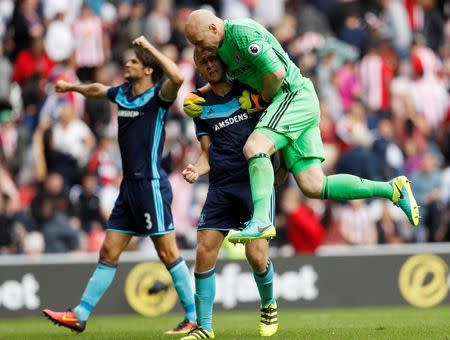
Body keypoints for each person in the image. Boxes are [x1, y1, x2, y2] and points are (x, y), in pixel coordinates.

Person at [184, 10, 419, 244]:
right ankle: (393, 190)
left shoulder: (242, 33)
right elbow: (227, 81)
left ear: (213, 28)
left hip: (292, 96)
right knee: (313, 185)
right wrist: (196, 95)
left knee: (255, 147)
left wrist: (259, 100)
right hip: (289, 104)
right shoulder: (221, 48)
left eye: (201, 42)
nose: (201, 48)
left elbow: (277, 73)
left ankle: (260, 220)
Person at [42, 36, 197, 335]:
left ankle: (193, 318)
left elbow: (176, 76)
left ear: (149, 70)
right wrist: (71, 87)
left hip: (151, 185)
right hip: (129, 189)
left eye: (135, 61)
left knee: (167, 253)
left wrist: (149, 48)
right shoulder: (123, 94)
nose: (128, 63)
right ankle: (80, 314)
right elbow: (98, 90)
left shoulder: (158, 97)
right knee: (108, 252)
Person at [180, 47, 278, 339]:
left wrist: (281, 167)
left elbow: (274, 132)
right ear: (198, 67)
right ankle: (205, 328)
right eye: (203, 62)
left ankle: (269, 303)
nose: (210, 65)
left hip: (253, 184)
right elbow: (207, 155)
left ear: (223, 60)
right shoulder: (199, 105)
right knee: (203, 251)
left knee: (256, 255)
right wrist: (197, 170)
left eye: (213, 59)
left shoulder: (249, 90)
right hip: (221, 186)